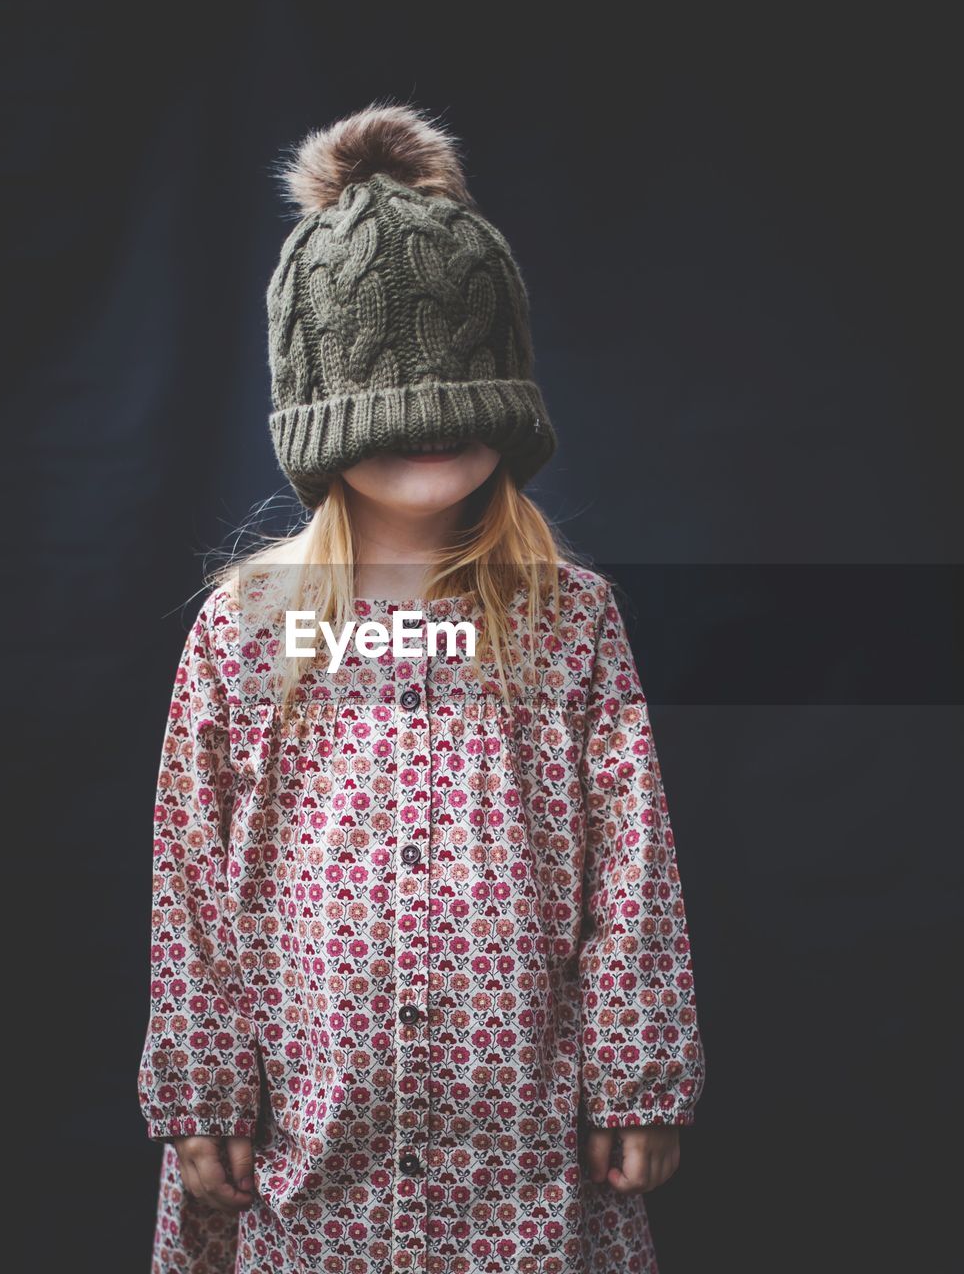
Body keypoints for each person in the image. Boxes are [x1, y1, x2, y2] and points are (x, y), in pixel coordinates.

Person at [137, 101, 706, 1274]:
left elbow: (632, 859)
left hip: (525, 1150)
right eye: (391, 383)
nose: (429, 414)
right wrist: (197, 1092)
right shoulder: (248, 631)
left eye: (460, 377)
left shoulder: (568, 622)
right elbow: (192, 875)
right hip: (304, 1145)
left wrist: (640, 1071)